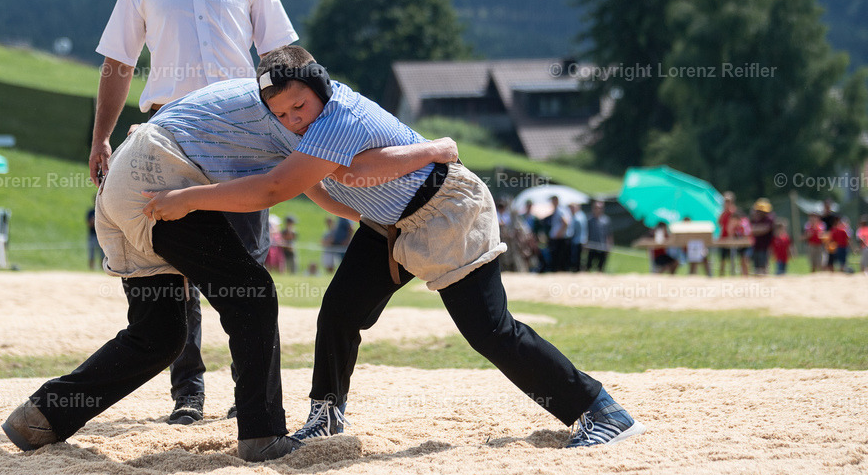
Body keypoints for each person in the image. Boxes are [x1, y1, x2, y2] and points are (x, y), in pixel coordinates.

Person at [144, 46, 645, 448]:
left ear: (319, 90)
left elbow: (275, 190)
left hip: (446, 210)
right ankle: (326, 414)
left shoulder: (336, 118)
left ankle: (598, 410)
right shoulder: (310, 131)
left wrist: (187, 199)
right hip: (391, 225)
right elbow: (318, 190)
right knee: (339, 311)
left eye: (299, 105)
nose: (293, 119)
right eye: (281, 113)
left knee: (491, 331)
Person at [2, 77, 455, 462]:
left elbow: (313, 188)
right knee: (252, 294)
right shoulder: (309, 116)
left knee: (157, 337)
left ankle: (42, 416)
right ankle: (261, 434)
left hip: (125, 178)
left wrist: (373, 221)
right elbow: (274, 189)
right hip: (161, 180)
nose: (293, 114)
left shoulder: (259, 101)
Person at [87, 0, 300, 427]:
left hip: (238, 135)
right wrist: (102, 139)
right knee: (174, 269)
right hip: (168, 137)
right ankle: (189, 392)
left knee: (248, 267)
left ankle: (248, 392)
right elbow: (118, 64)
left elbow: (281, 55)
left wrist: (304, 124)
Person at [584, 201, 613, 273]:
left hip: (602, 247)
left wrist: (609, 246)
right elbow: (585, 233)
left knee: (600, 268)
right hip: (591, 247)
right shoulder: (588, 220)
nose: (598, 210)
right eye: (596, 208)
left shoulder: (606, 220)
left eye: (600, 208)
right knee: (588, 267)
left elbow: (609, 234)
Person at [748, 199, 774, 276]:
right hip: (756, 246)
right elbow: (749, 229)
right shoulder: (755, 219)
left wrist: (755, 230)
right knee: (756, 267)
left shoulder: (769, 218)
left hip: (765, 246)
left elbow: (765, 229)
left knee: (764, 266)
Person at [547, 196, 571, 272]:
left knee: (559, 257)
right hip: (559, 238)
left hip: (560, 238)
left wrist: (559, 233)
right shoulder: (558, 210)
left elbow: (565, 222)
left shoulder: (560, 211)